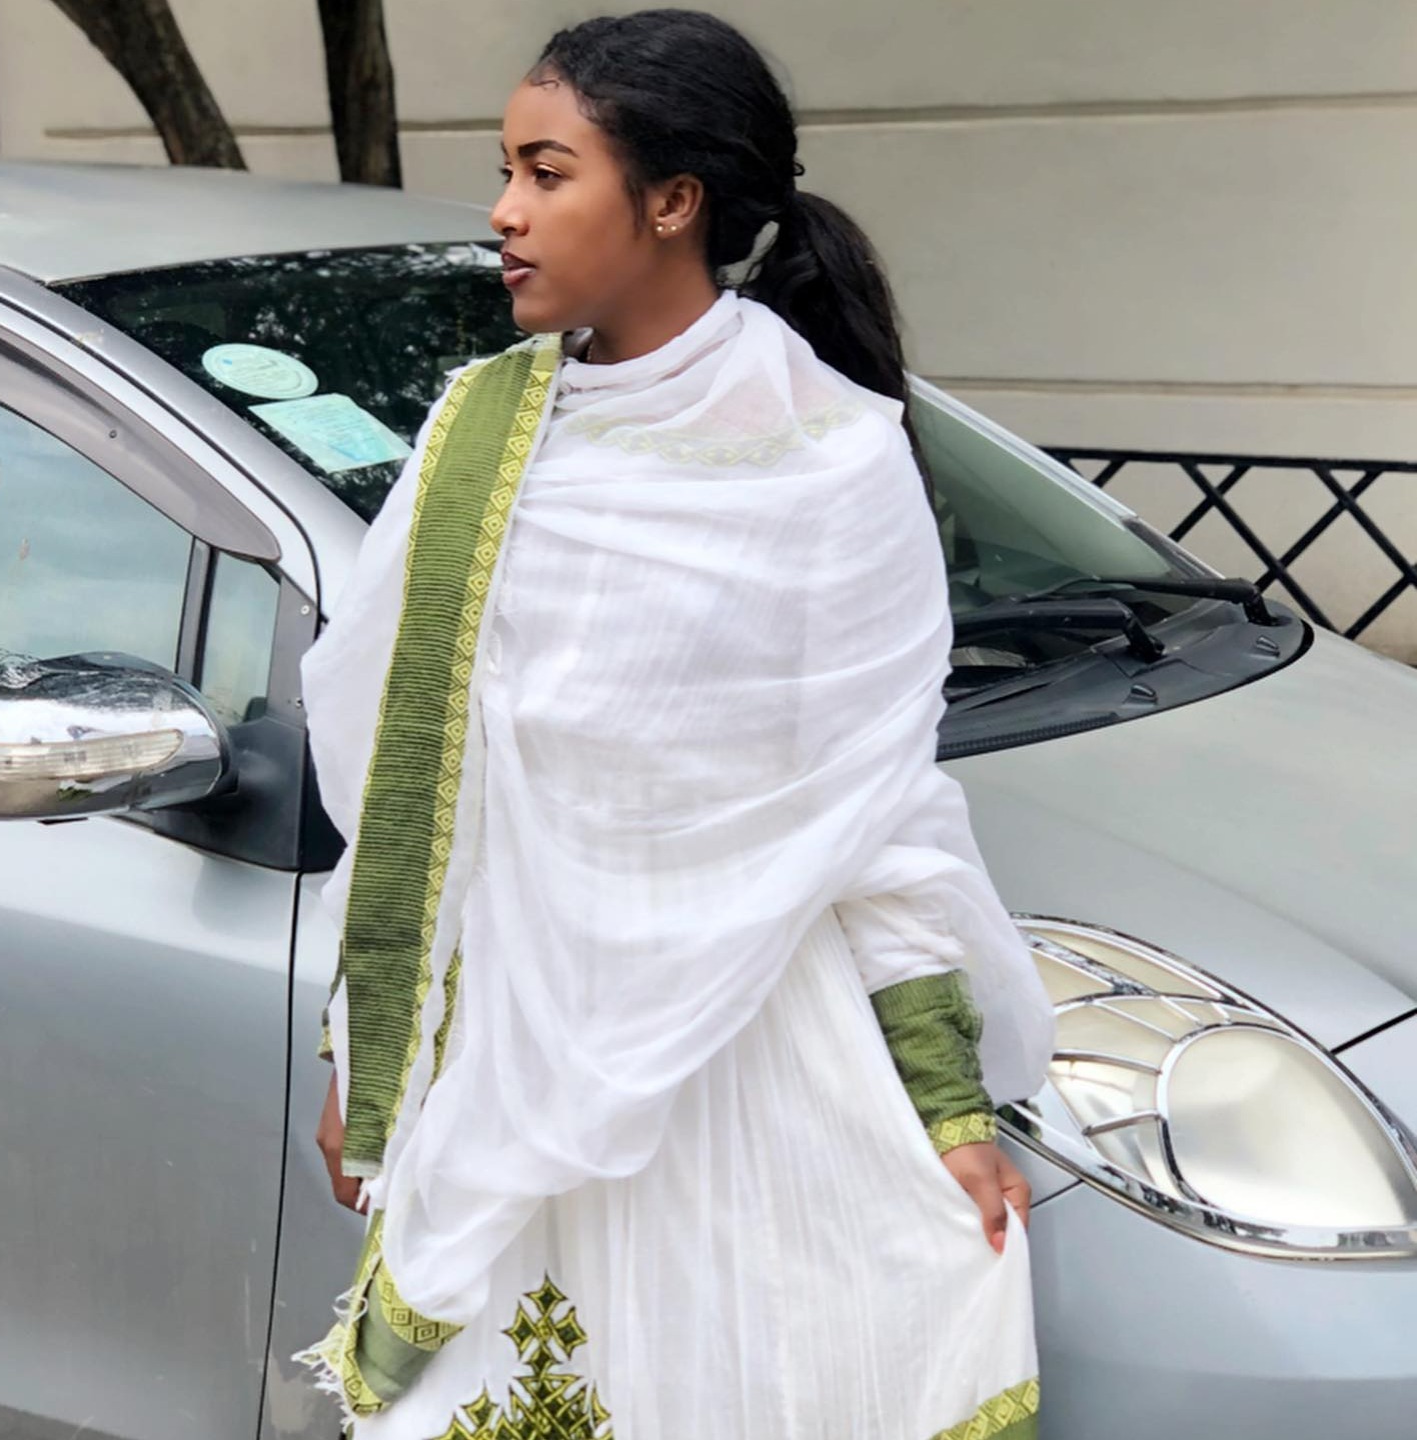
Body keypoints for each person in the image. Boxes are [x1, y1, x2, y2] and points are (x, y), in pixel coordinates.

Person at [298, 10, 1055, 1439]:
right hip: (515, 1057)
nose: (504, 212)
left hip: (748, 1066)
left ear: (672, 201)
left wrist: (950, 1116)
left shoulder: (828, 457)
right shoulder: (477, 432)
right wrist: (366, 1051)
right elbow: (403, 776)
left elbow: (881, 813)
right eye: (506, 172)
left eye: (546, 173)